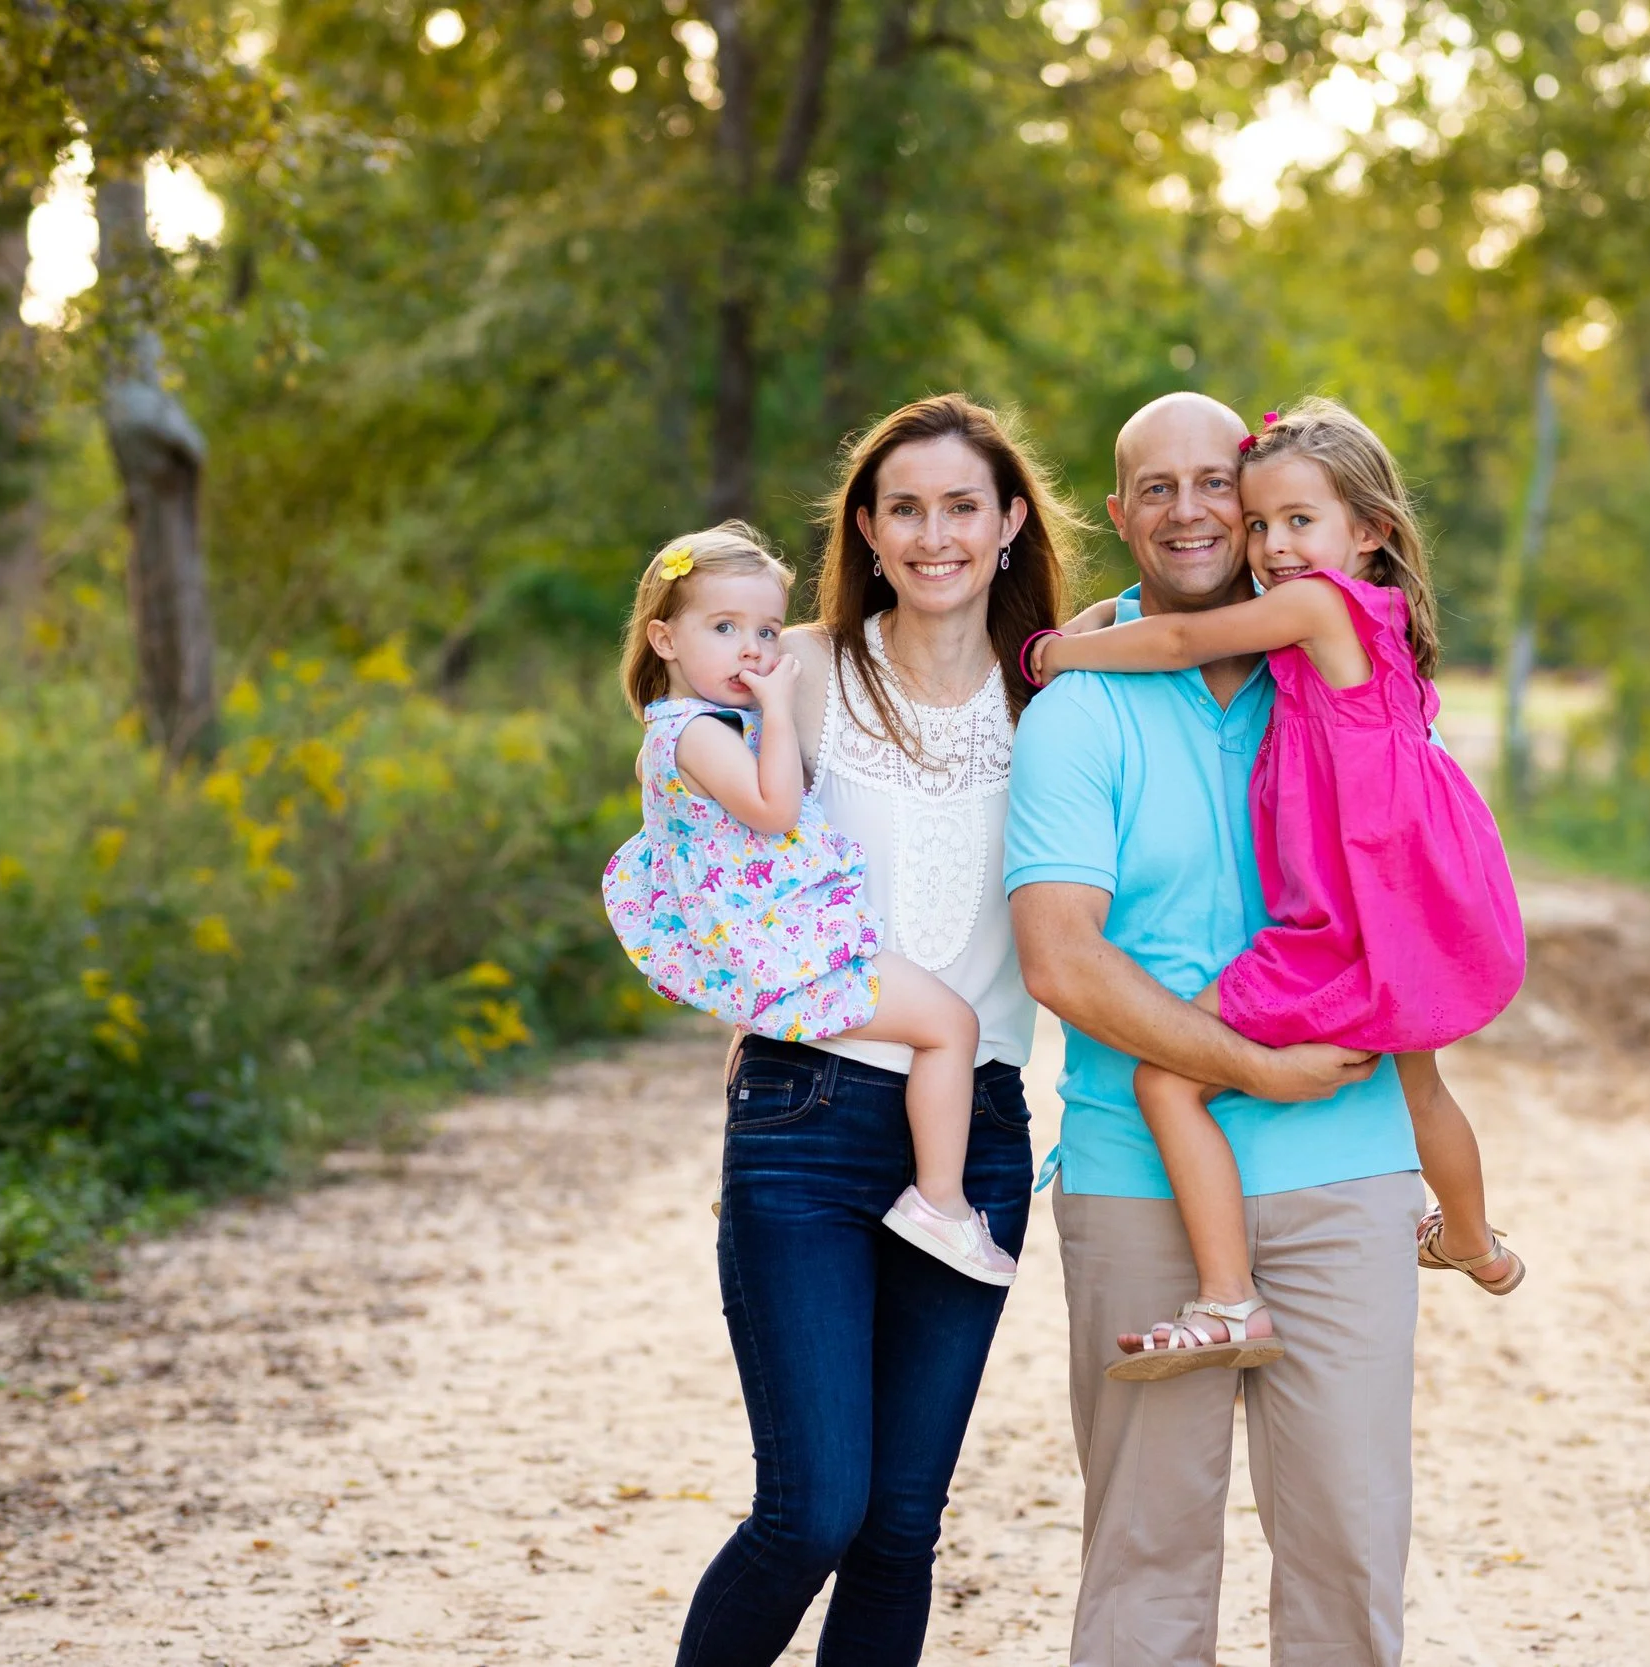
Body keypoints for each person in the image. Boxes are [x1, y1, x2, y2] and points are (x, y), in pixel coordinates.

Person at [1006, 392, 1420, 1665]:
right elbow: (1061, 960)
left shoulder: (1335, 669)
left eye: (1213, 485)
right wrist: (1252, 1065)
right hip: (1138, 1178)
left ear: (1255, 507)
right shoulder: (1080, 704)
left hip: (1344, 1166)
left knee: (1350, 1555)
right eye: (1156, 487)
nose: (1189, 512)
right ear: (1120, 512)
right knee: (1146, 1558)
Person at [667, 395, 1075, 1667]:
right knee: (811, 1509)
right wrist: (746, 981)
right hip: (807, 1110)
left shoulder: (1059, 694)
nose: (933, 533)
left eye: (961, 506)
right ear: (866, 527)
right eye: (904, 507)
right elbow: (683, 797)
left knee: (900, 1525)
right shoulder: (793, 668)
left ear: (1009, 522)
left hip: (978, 1127)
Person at [1024, 397, 1527, 1379]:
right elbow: (1165, 622)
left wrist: (1054, 651)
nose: (1273, 545)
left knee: (1166, 1080)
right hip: (1391, 913)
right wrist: (1102, 616)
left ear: (1369, 530)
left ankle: (1228, 1298)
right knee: (1420, 1081)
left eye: (1298, 520)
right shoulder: (1369, 624)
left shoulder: (1315, 610)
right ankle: (1474, 1239)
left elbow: (1178, 642)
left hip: (1333, 926)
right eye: (1260, 524)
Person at [603, 521, 1016, 1285]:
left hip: (777, 943)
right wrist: (781, 708)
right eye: (723, 628)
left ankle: (743, 1172)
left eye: (766, 630)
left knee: (760, 1038)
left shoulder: (690, 728)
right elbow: (777, 808)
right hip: (796, 948)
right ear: (664, 639)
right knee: (951, 1026)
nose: (752, 649)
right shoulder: (699, 733)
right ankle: (941, 1202)